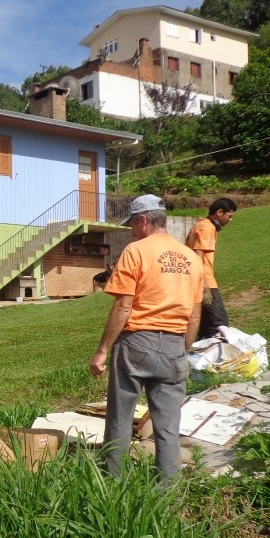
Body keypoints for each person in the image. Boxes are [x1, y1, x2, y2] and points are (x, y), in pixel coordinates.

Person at [89, 194, 203, 485]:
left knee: (120, 419)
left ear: (143, 220)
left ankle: (110, 484)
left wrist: (102, 351)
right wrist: (181, 349)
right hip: (175, 345)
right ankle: (168, 495)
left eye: (133, 225)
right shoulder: (192, 258)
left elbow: (123, 306)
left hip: (136, 343)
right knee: (167, 427)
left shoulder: (136, 251)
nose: (131, 231)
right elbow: (193, 315)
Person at [185, 197, 237, 341]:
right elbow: (197, 256)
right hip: (204, 282)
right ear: (220, 212)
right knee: (218, 325)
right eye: (229, 216)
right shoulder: (207, 227)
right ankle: (216, 360)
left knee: (202, 325)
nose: (230, 220)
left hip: (197, 281)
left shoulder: (201, 225)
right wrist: (204, 286)